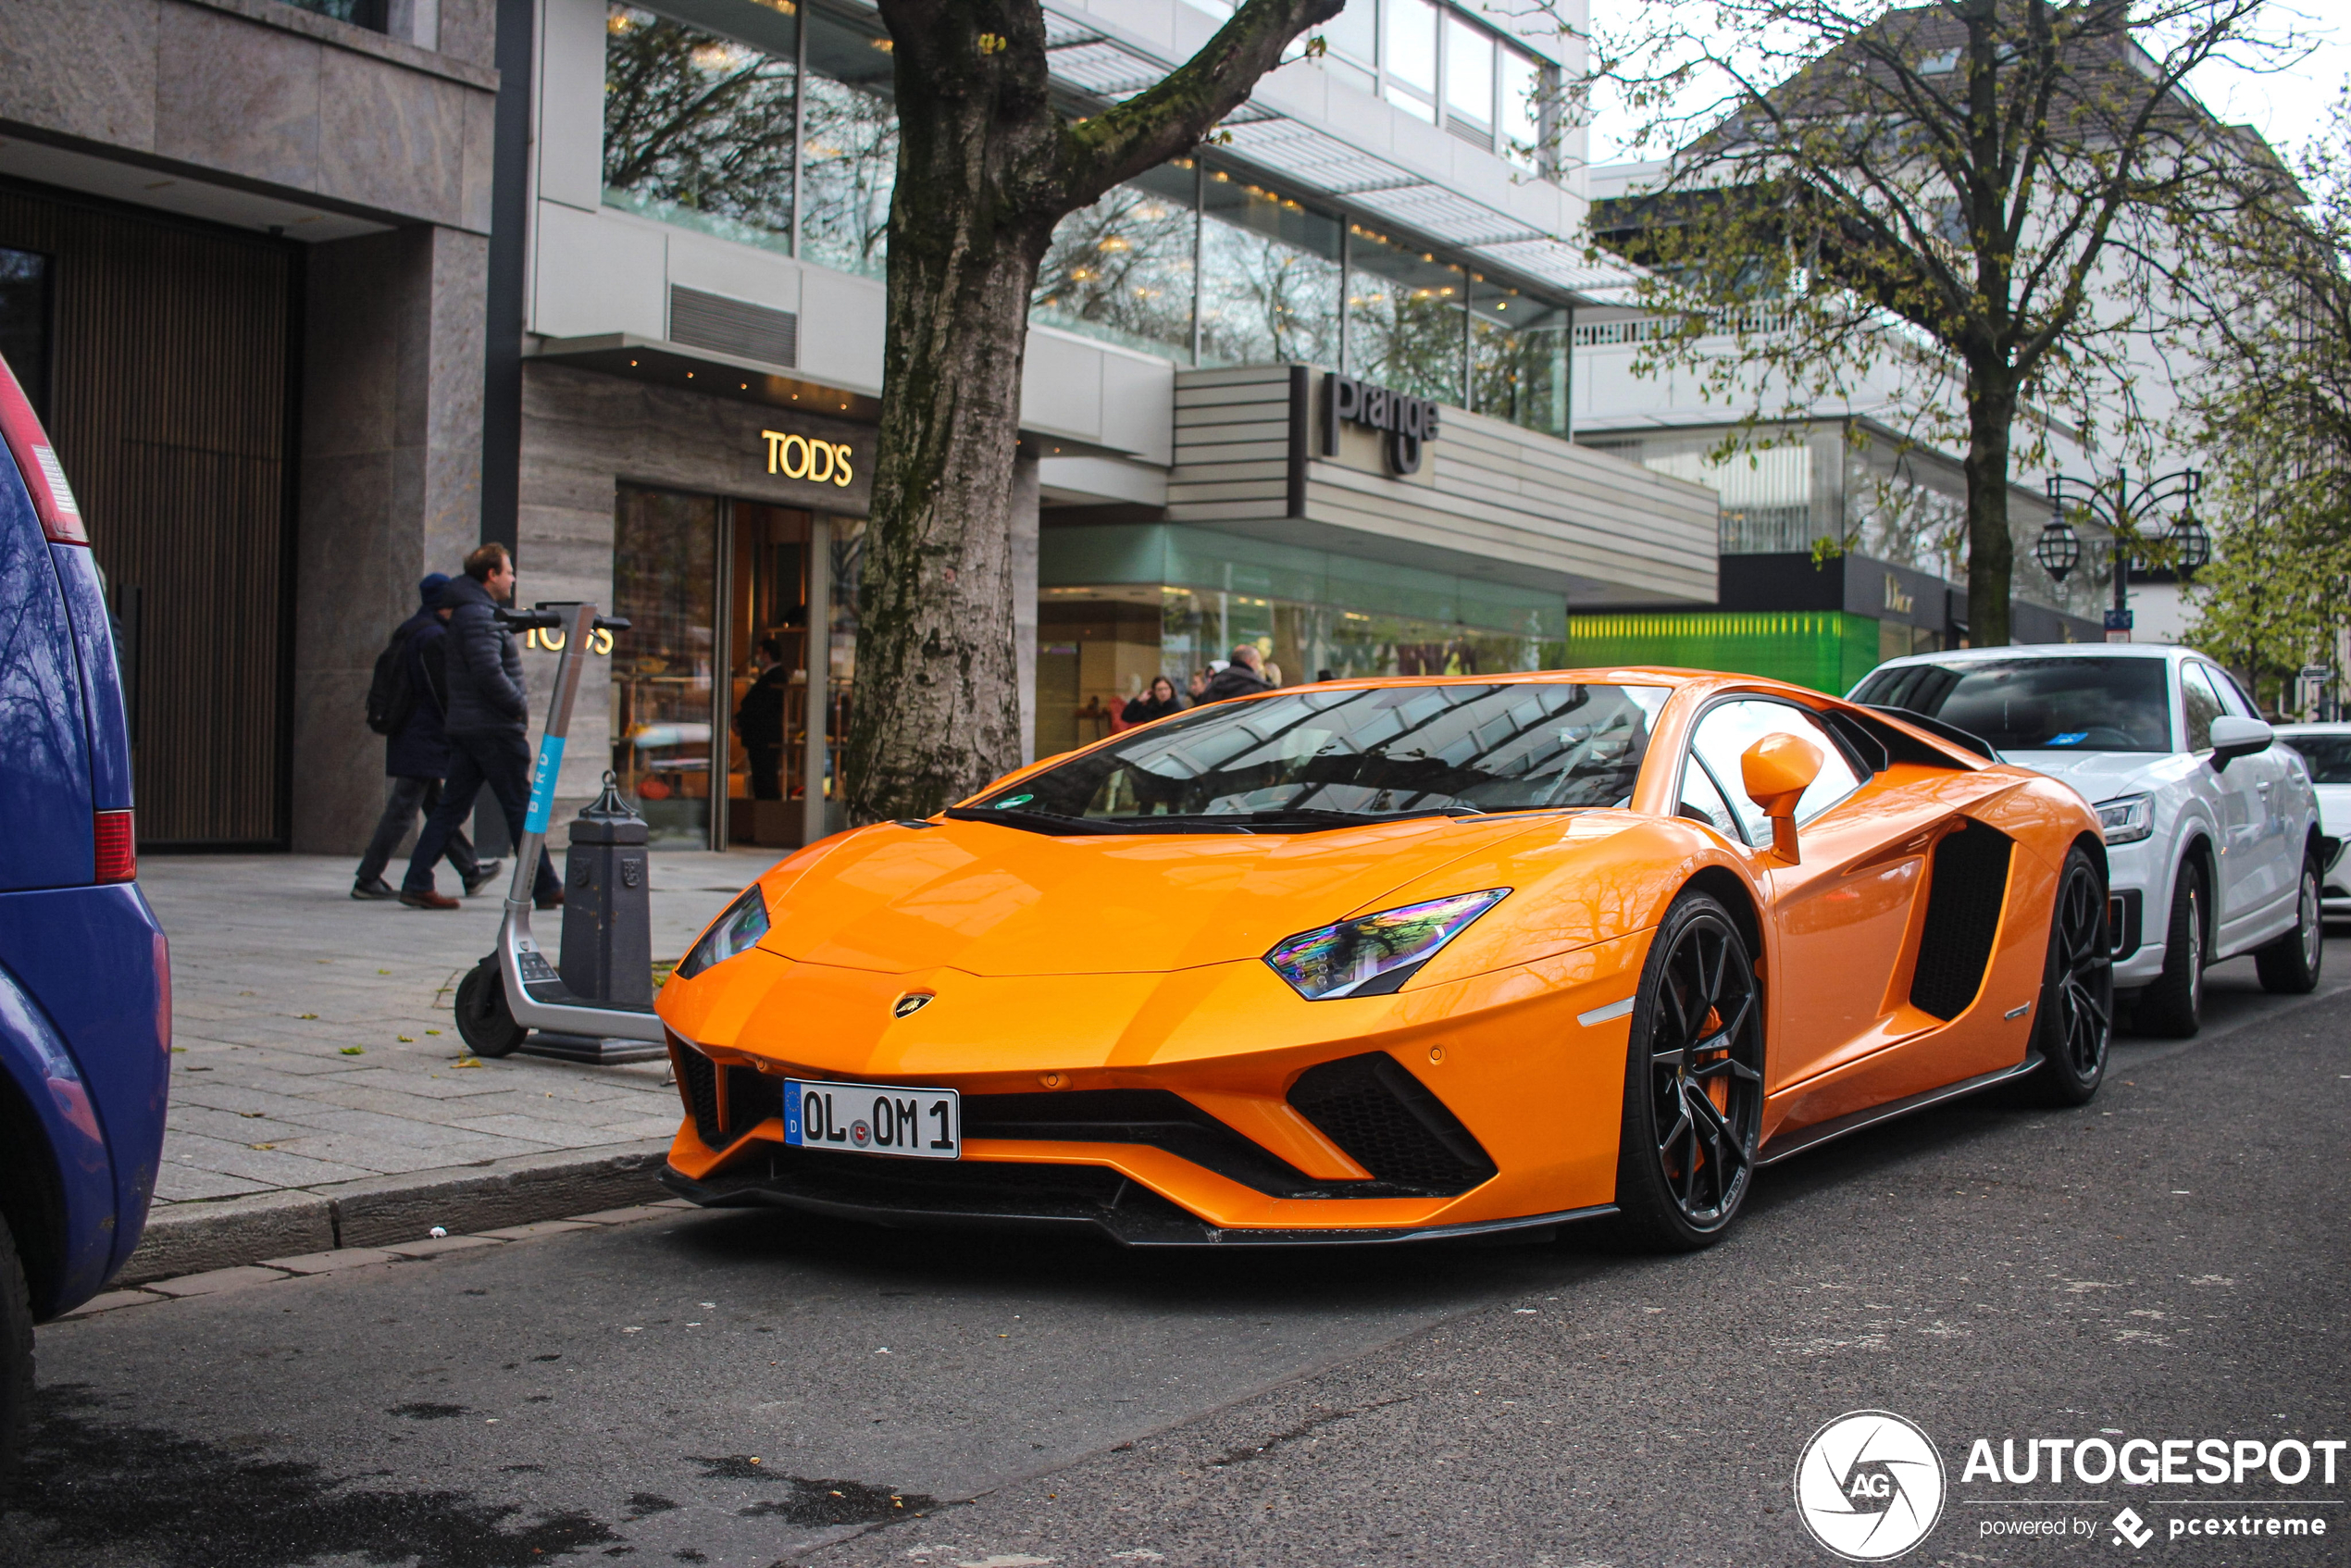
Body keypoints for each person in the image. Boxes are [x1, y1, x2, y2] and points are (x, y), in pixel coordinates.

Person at [400, 543, 565, 911]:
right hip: (492, 727)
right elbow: (488, 670)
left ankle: (417, 880)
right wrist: (518, 705)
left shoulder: (475, 610)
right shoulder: (477, 613)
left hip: (475, 726)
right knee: (521, 806)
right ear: (491, 575)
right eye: (508, 571)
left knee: (453, 807)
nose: (513, 578)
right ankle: (545, 885)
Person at [353, 574, 496, 900]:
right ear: (443, 603)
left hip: (416, 734)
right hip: (425, 736)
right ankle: (367, 877)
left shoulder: (415, 629)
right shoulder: (432, 636)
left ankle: (470, 869)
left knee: (435, 804)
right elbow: (441, 691)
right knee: (404, 808)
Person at [735, 637, 791, 799]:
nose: (758, 658)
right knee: (761, 778)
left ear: (767, 655)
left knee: (764, 779)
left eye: (760, 653)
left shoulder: (775, 678)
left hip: (764, 736)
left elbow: (760, 707)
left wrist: (741, 721)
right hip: (760, 736)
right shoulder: (770, 676)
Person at [1200, 645, 1274, 703]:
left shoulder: (1215, 683)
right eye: (1257, 661)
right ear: (1249, 661)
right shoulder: (1255, 686)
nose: (1258, 666)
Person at [1122, 675, 1188, 725]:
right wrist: (1139, 700)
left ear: (1171, 690)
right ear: (1154, 692)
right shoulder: (1150, 708)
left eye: (1166, 689)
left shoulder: (1178, 709)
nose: (1163, 693)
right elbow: (1127, 717)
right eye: (1159, 689)